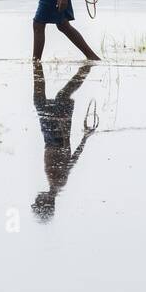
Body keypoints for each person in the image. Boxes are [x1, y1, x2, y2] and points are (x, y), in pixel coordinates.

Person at [31, 61, 97, 221]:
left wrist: (83, 138)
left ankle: (85, 69)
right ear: (46, 201)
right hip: (56, 134)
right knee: (53, 97)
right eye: (38, 202)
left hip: (51, 135)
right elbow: (70, 156)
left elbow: (70, 159)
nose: (36, 199)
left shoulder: (56, 183)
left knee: (47, 98)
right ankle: (86, 68)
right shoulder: (57, 182)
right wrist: (81, 136)